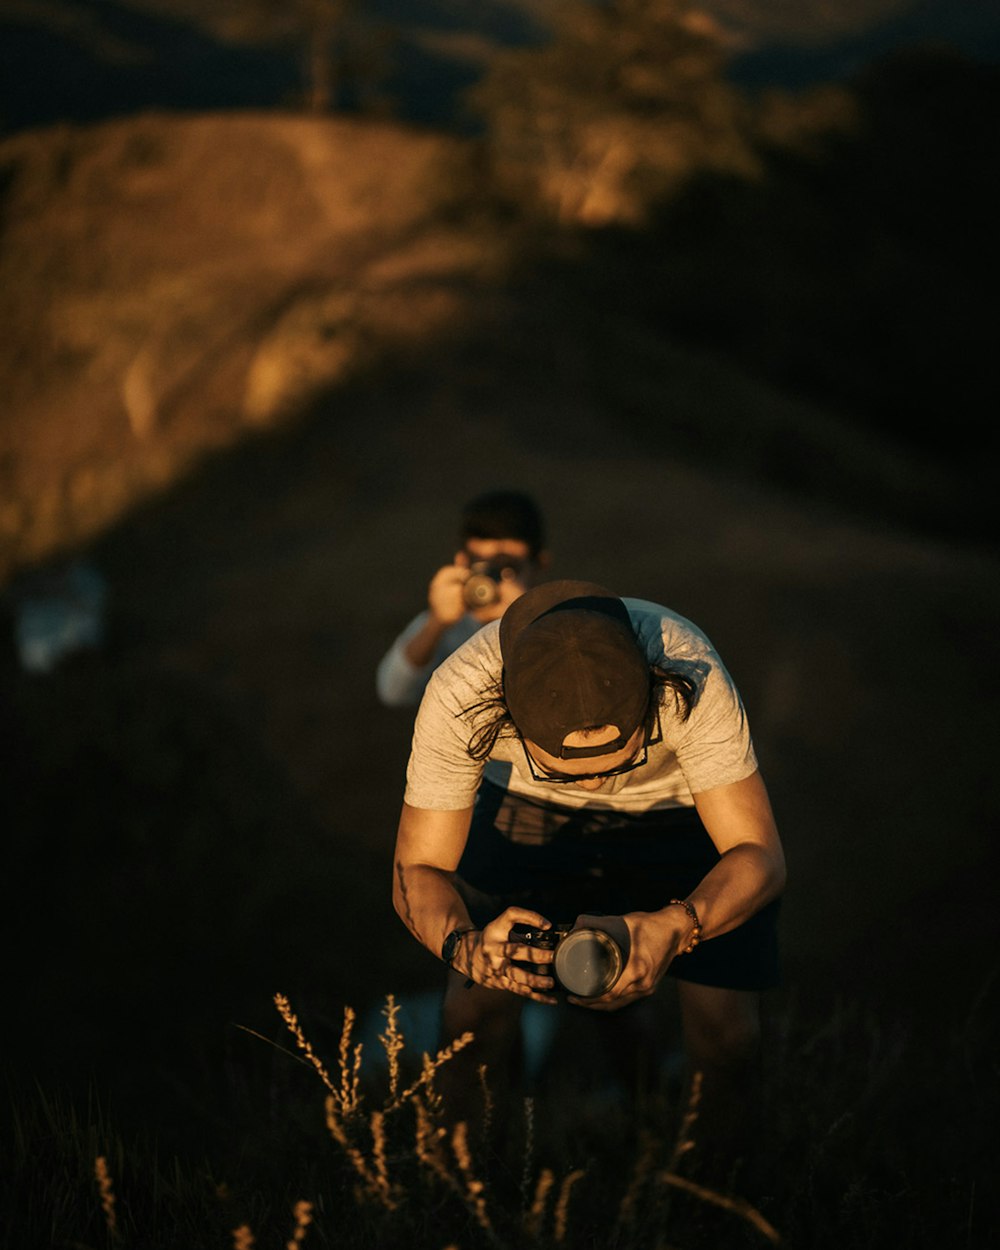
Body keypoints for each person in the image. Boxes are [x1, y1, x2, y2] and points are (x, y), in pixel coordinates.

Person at [391, 579, 786, 1174]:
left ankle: (712, 1196)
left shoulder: (686, 664)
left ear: (654, 692)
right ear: (507, 715)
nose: (599, 785)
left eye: (622, 759)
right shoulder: (461, 692)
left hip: (678, 812)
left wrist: (677, 927)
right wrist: (465, 947)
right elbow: (416, 867)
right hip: (524, 811)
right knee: (470, 1014)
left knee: (728, 1035)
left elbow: (758, 851)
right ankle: (460, 1192)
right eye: (569, 772)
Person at [375, 491, 548, 708]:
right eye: (482, 566)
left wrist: (521, 623)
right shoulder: (450, 624)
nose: (492, 583)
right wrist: (436, 623)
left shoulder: (557, 625)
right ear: (461, 562)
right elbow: (393, 691)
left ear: (539, 566)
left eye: (508, 569)